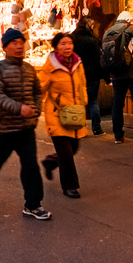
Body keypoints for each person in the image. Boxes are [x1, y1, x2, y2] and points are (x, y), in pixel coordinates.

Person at [0, 28, 50, 220]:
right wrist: (19, 108)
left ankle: (33, 205)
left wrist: (35, 110)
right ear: (5, 47)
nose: (18, 46)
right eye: (13, 43)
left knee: (31, 166)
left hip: (26, 128)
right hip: (4, 128)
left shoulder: (29, 68)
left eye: (20, 42)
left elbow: (37, 92)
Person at [38, 31, 88, 198]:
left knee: (73, 148)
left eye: (69, 43)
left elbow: (82, 84)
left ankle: (50, 162)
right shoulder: (50, 66)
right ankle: (70, 185)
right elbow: (40, 88)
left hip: (74, 113)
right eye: (63, 44)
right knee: (66, 152)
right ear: (56, 48)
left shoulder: (77, 63)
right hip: (56, 113)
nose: (67, 47)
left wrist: (84, 102)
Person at [102, 10, 133, 144]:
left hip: (116, 73)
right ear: (130, 20)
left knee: (117, 104)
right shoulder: (132, 29)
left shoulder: (108, 31)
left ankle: (118, 135)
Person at [71, 16, 105, 136]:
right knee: (93, 101)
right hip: (91, 75)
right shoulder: (92, 40)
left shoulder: (72, 38)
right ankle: (96, 128)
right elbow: (98, 60)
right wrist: (105, 76)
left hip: (76, 74)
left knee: (78, 102)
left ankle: (79, 128)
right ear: (89, 26)